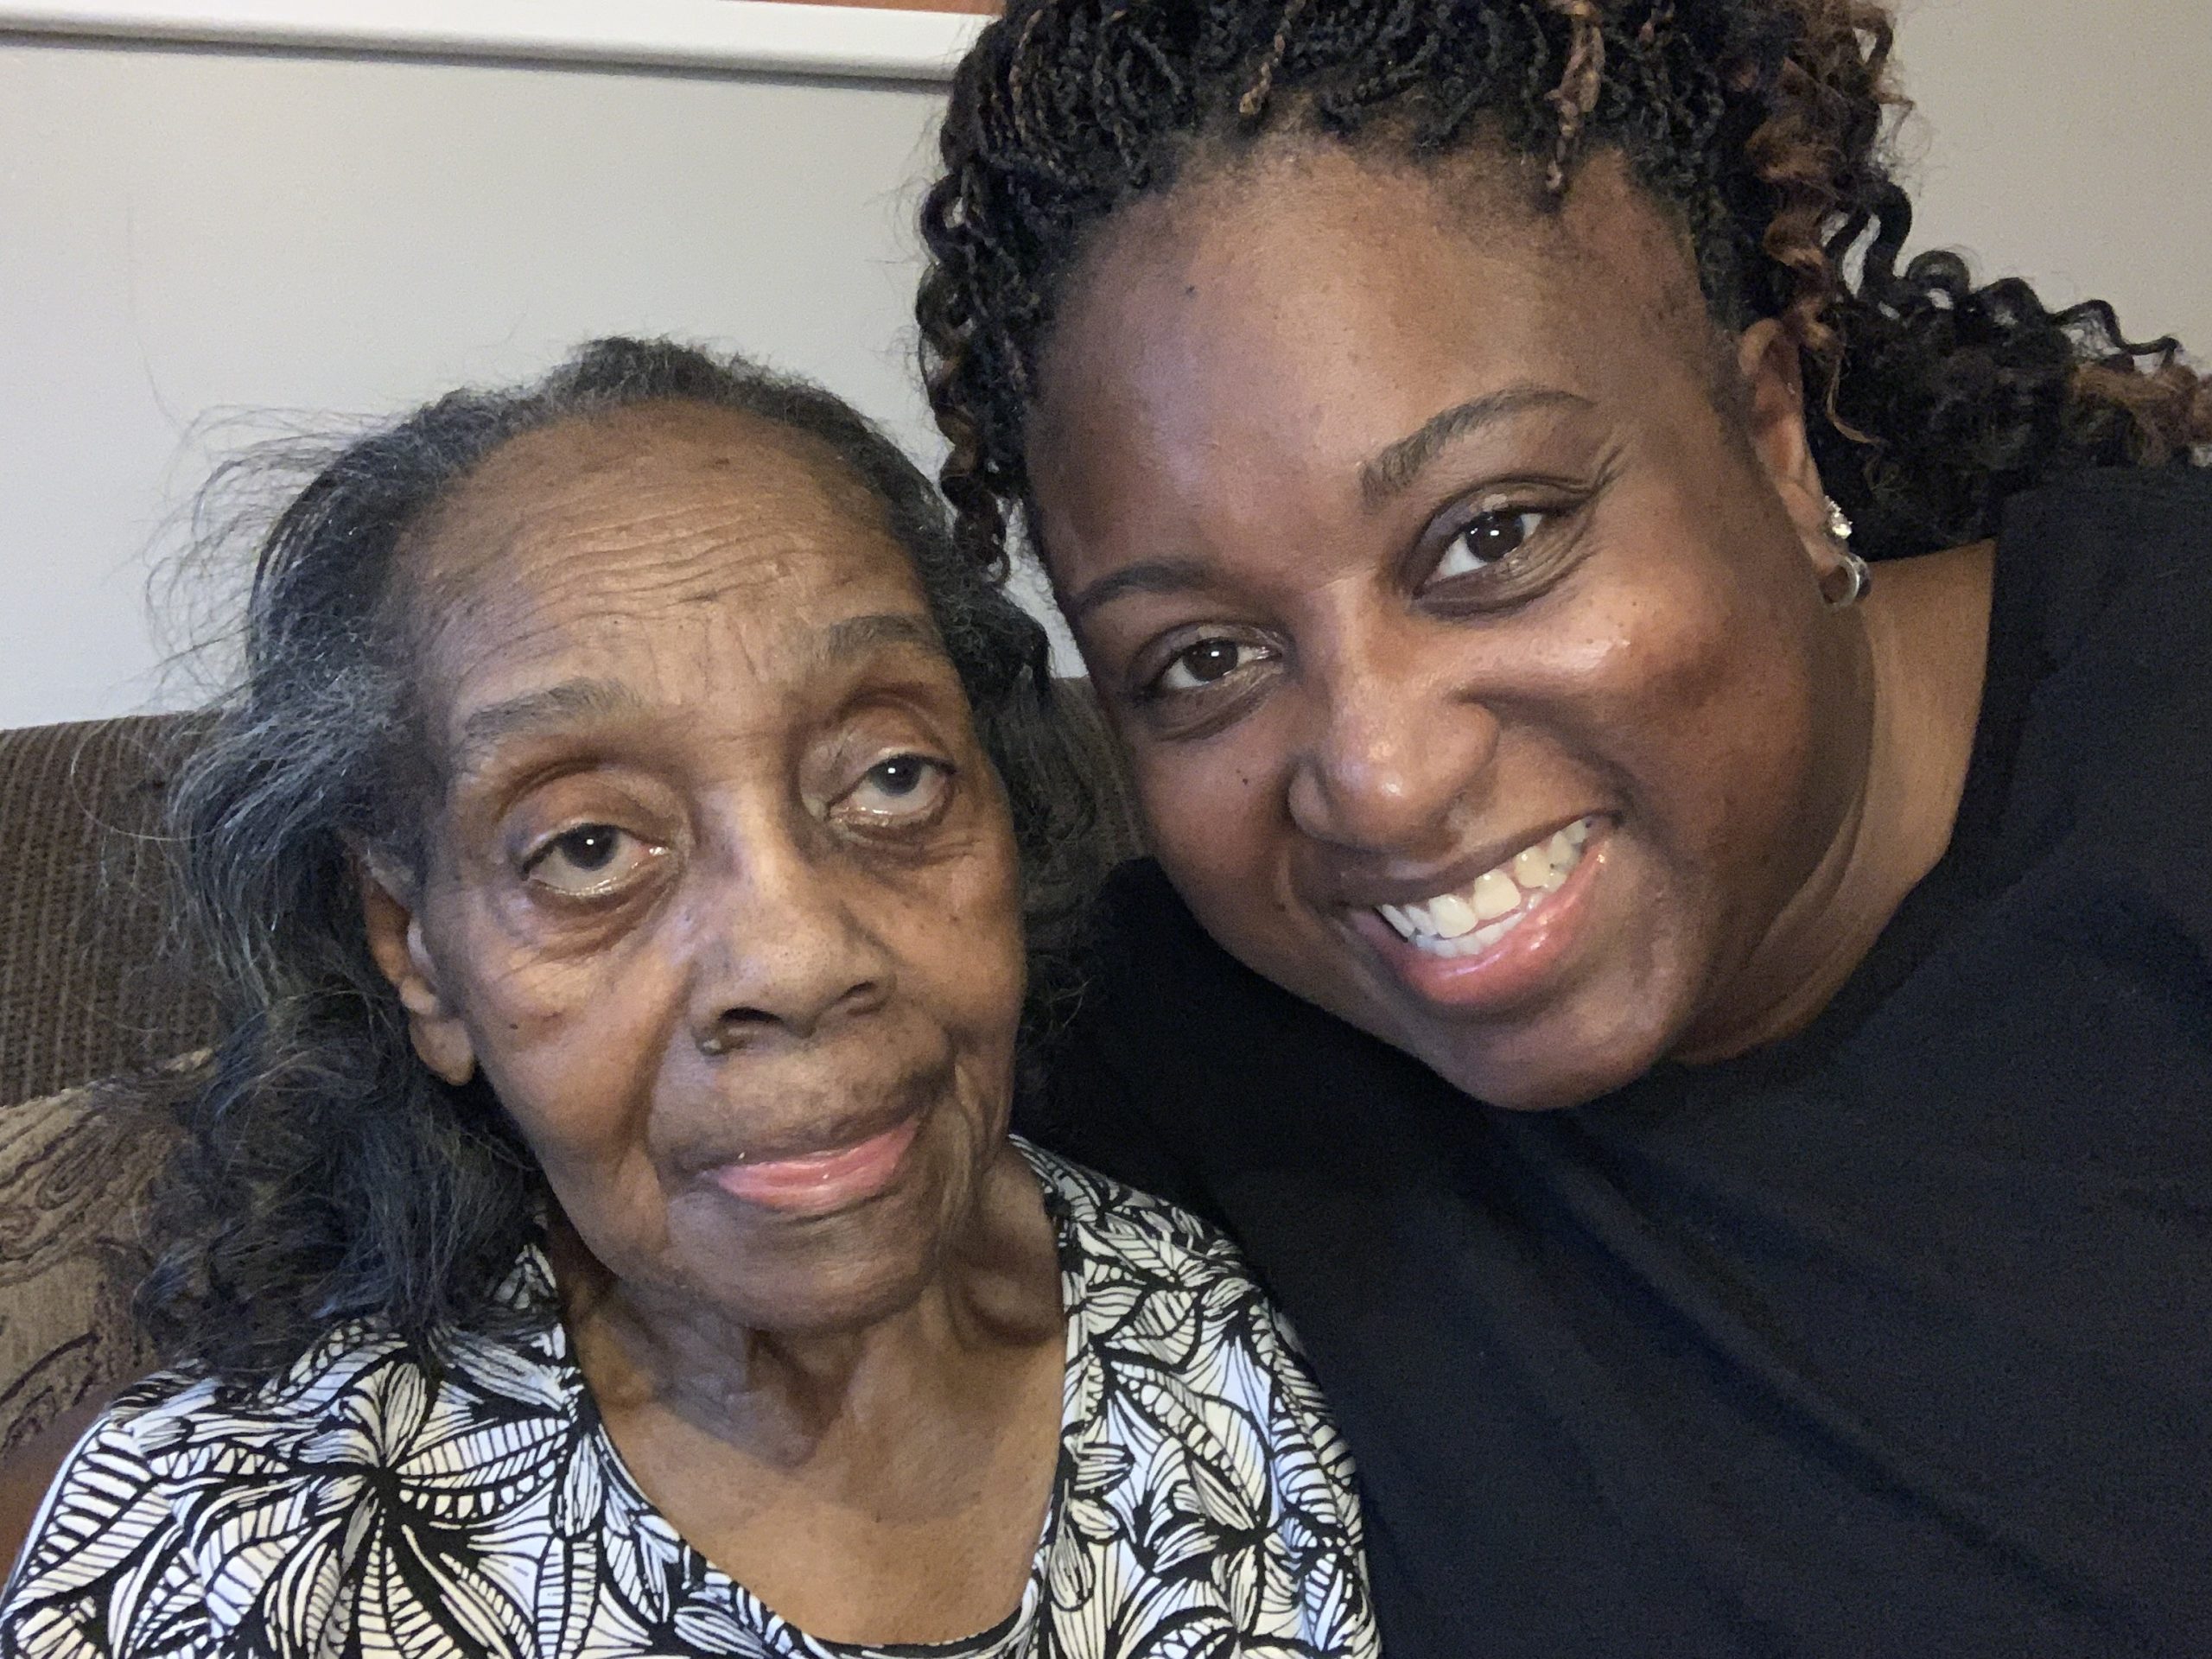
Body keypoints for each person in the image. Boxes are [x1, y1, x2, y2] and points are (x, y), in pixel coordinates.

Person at [914, 3, 2212, 1655]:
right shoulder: (1178, 1077)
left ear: (1770, 435)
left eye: (1493, 536)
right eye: (1206, 659)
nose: (1377, 781)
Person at [0, 340, 1377, 1658]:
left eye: (893, 776)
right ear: (417, 949)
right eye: (589, 848)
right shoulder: (248, 1550)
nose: (794, 957)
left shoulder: (1242, 1333)